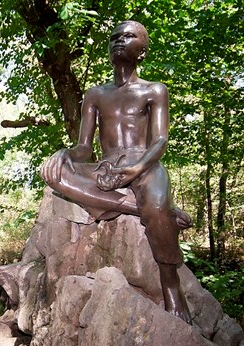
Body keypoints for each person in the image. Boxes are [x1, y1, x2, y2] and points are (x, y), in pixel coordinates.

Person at [40, 20, 192, 324]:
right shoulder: (95, 94)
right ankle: (146, 210)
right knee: (54, 174)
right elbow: (84, 147)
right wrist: (63, 154)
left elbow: (160, 140)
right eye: (114, 38)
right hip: (107, 165)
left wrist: (136, 168)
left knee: (156, 200)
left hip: (145, 164)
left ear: (143, 50)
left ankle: (171, 287)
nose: (119, 41)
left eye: (128, 36)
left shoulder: (154, 90)